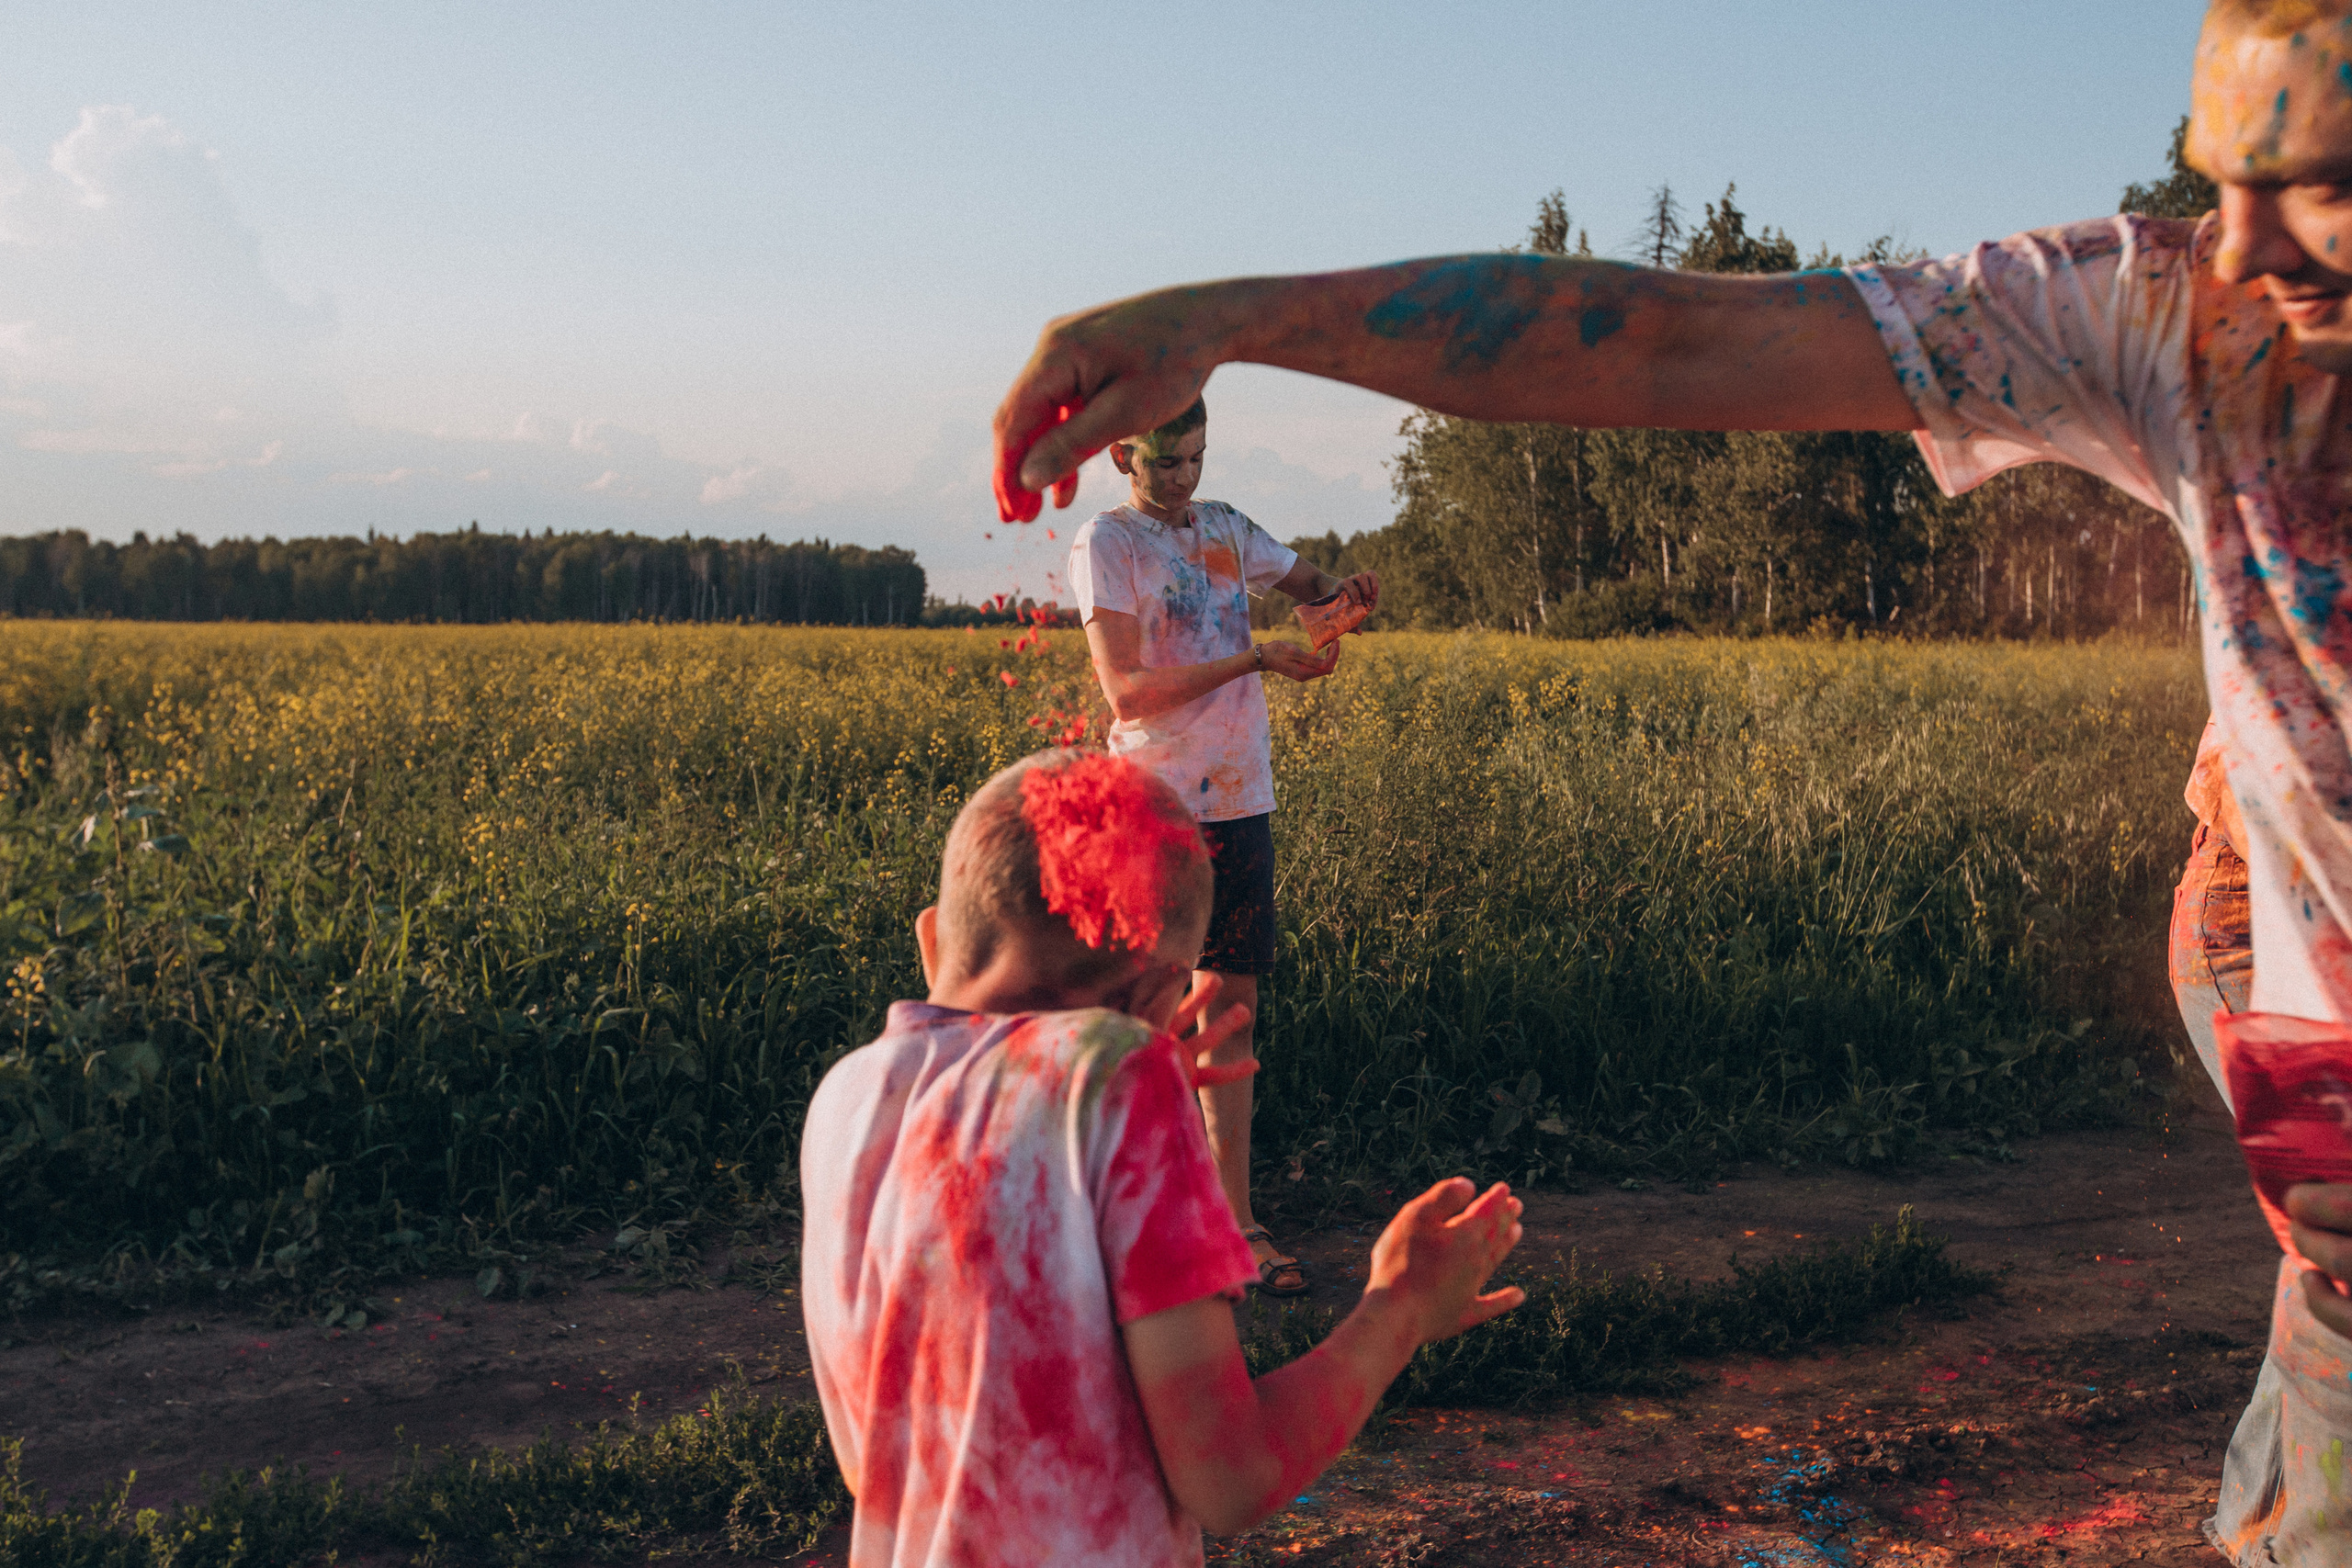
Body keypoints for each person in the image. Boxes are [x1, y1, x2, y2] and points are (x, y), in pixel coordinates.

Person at [987, 6, 2352, 1557]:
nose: (2248, 245)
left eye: (2321, 185)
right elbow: (1671, 339)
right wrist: (1232, 318)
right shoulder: (2176, 317)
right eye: (2223, 176)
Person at [798, 748, 1523, 1568]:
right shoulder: (1126, 1079)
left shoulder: (848, 1097)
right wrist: (1400, 1307)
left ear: (933, 939)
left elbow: (888, 1457)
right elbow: (1233, 1479)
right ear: (1159, 993)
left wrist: (1117, 1079)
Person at [1068, 396, 1379, 1296]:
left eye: (1196, 458)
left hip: (1239, 801)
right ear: (1121, 453)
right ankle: (1126, 1230)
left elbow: (1312, 587)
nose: (1183, 478)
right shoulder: (1108, 542)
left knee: (1230, 1013)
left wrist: (1347, 602)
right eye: (1165, 462)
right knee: (1143, 1019)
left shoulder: (1229, 528)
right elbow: (1126, 692)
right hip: (1154, 806)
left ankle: (1234, 1224)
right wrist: (1254, 659)